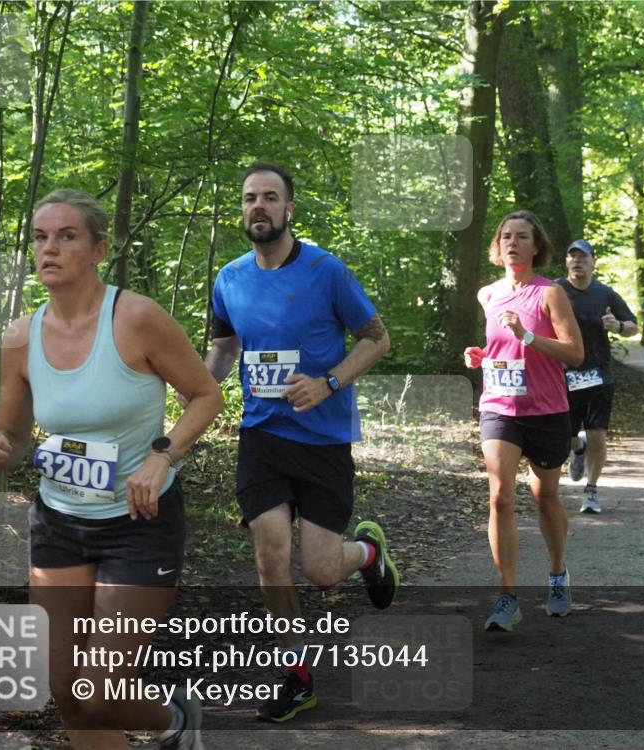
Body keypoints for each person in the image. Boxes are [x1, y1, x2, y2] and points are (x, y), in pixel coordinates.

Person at [0, 189, 223, 750]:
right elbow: (15, 439)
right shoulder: (19, 338)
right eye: (40, 237)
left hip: (139, 521)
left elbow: (207, 395)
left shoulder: (137, 319)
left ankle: (175, 716)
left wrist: (161, 455)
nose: (49, 248)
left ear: (98, 250)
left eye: (67, 236)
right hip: (59, 522)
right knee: (66, 690)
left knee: (100, 693)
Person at [201, 162, 397, 722]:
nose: (258, 206)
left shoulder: (326, 271)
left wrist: (328, 381)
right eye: (249, 198)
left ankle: (368, 554)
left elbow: (377, 338)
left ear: (289, 209)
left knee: (320, 569)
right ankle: (296, 676)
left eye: (269, 197)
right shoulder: (229, 278)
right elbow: (224, 350)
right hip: (262, 435)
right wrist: (191, 394)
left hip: (323, 439)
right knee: (270, 554)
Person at [463, 210, 584, 633]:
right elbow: (501, 347)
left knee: (545, 496)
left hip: (547, 410)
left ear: (536, 247)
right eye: (506, 237)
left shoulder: (550, 293)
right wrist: (481, 355)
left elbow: (575, 353)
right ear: (497, 247)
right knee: (500, 497)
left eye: (522, 237)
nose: (512, 243)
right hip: (499, 407)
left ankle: (557, 572)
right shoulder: (487, 295)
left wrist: (528, 337)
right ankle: (507, 596)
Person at [556, 239, 639, 514]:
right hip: (563, 375)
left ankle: (591, 490)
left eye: (583, 257)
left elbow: (633, 326)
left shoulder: (605, 294)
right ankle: (578, 447)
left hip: (598, 374)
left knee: (598, 434)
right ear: (566, 262)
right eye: (572, 257)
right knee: (565, 436)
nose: (577, 262)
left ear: (593, 262)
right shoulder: (555, 290)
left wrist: (618, 326)